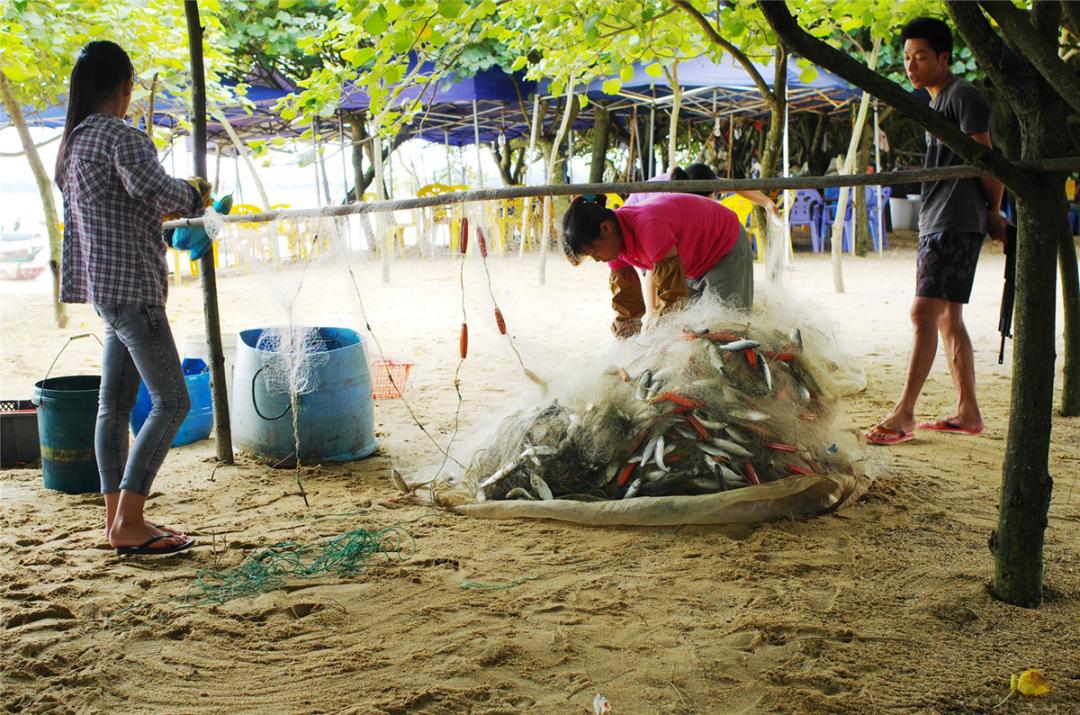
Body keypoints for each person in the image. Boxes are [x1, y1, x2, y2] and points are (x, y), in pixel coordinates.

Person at [57, 41, 210, 554]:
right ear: (125, 88)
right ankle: (128, 521)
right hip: (135, 291)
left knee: (115, 406)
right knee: (173, 401)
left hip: (105, 291)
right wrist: (195, 192)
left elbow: (124, 204)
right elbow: (158, 191)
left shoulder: (75, 142)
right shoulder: (122, 137)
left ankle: (116, 520)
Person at [865, 17, 1006, 446]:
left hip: (954, 221)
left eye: (921, 57)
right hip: (939, 221)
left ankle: (904, 413)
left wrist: (994, 212)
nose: (911, 66)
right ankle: (968, 411)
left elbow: (986, 159)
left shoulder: (961, 95)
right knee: (947, 318)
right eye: (907, 57)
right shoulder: (934, 101)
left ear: (944, 58)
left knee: (923, 313)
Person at [561, 192, 753, 338]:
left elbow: (673, 297)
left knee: (727, 329)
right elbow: (627, 304)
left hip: (724, 246)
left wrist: (656, 334)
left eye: (594, 252)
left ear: (605, 228)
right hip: (689, 263)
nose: (597, 259)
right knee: (693, 332)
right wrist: (626, 334)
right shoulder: (613, 246)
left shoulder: (649, 225)